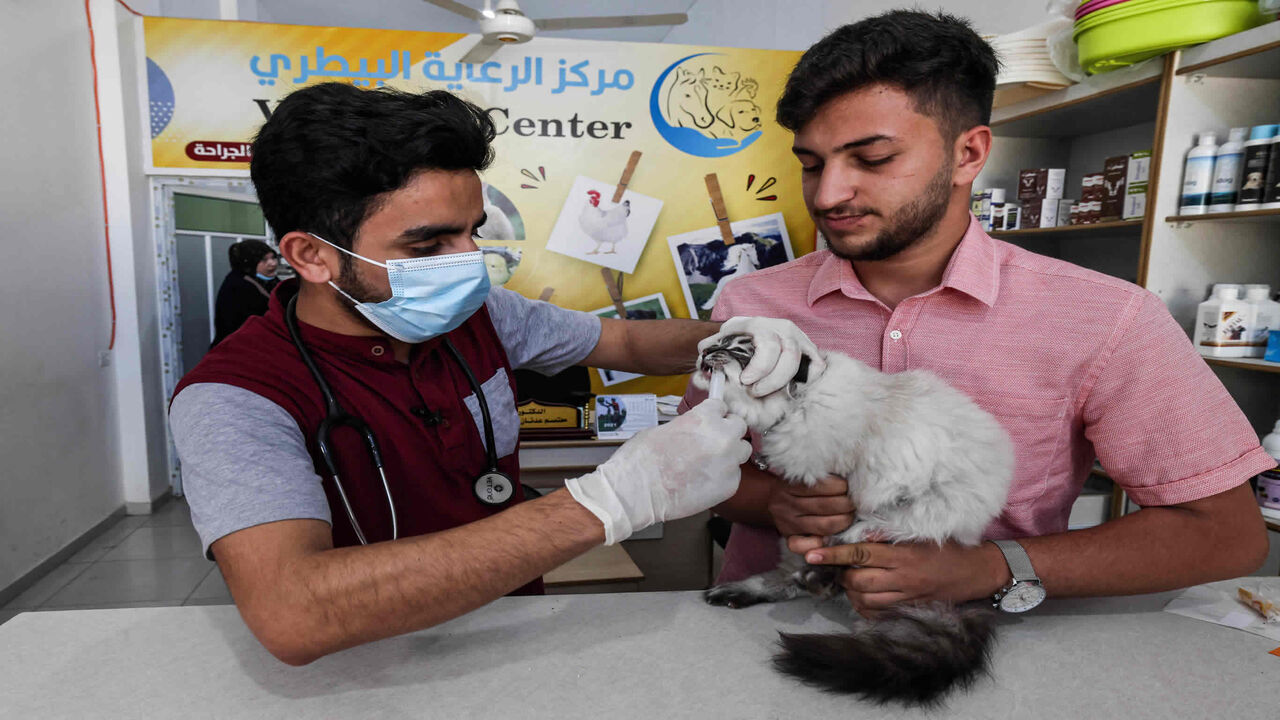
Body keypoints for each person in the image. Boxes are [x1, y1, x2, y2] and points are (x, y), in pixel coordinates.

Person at [168, 82, 816, 666]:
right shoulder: (235, 398)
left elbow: (623, 339)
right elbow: (293, 612)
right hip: (369, 670)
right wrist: (608, 500)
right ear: (310, 256)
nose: (469, 263)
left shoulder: (481, 315)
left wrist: (735, 340)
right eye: (428, 246)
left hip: (511, 636)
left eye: (473, 232)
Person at [689, 10, 1272, 617]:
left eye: (873, 158)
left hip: (981, 652)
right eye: (811, 164)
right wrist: (776, 502)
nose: (828, 194)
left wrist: (993, 566)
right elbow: (702, 472)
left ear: (969, 154)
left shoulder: (1107, 319)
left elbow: (1225, 533)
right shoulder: (749, 307)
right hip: (762, 630)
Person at [211, 239, 280, 346]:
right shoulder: (238, 286)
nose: (272, 263)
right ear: (250, 262)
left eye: (273, 258)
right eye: (264, 260)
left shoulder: (270, 282)